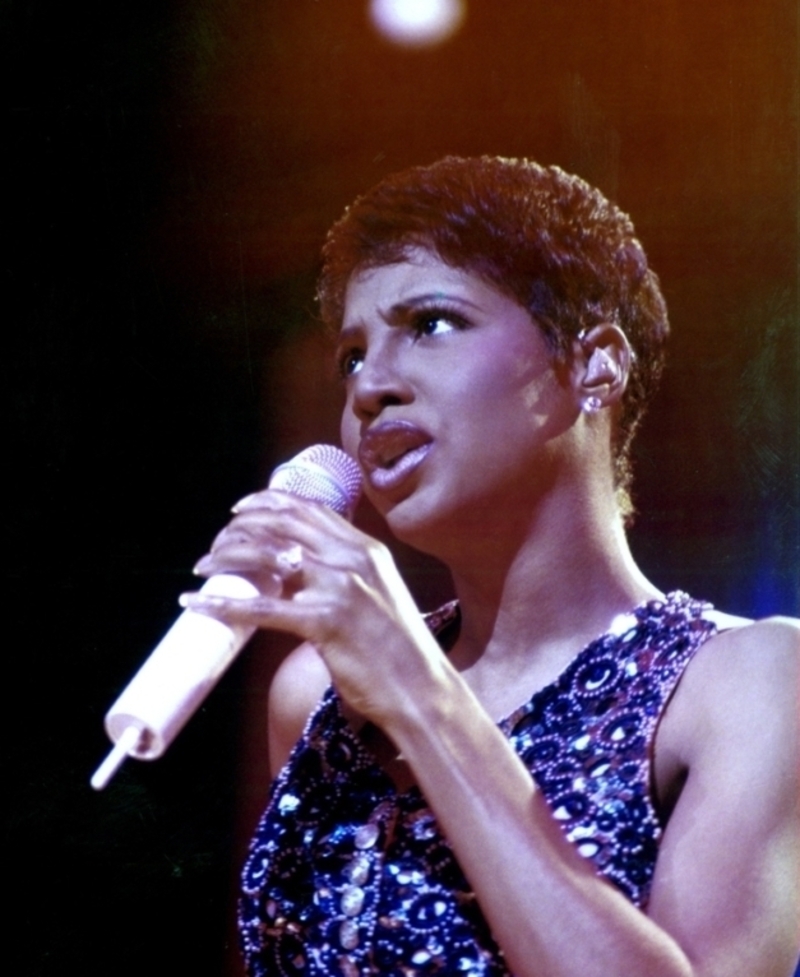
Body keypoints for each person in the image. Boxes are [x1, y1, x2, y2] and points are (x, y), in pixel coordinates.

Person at [182, 157, 799, 977]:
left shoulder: (746, 683)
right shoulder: (317, 696)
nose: (370, 386)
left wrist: (419, 694)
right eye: (352, 356)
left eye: (432, 323)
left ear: (594, 365)